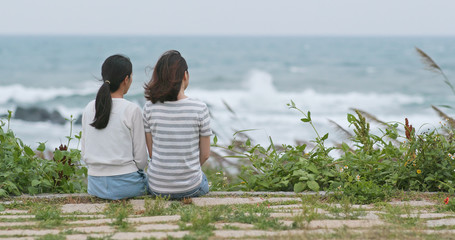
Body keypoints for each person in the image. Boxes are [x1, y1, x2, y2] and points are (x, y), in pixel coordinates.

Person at [143, 50, 211, 199]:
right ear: (185, 75)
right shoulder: (200, 108)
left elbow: (152, 153)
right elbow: (205, 155)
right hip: (191, 188)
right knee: (203, 179)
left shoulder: (149, 107)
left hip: (157, 188)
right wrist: (188, 171)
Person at [81, 54, 148, 200]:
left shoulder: (89, 108)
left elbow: (84, 153)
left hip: (95, 185)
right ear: (126, 79)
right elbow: (141, 160)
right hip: (126, 184)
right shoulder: (132, 110)